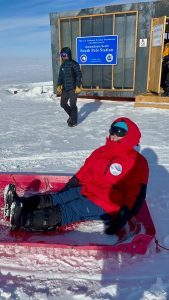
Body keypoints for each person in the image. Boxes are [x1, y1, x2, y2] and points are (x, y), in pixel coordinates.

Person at [4, 117, 149, 235]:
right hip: (87, 189)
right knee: (58, 197)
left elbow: (136, 194)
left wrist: (124, 215)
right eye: (113, 129)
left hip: (105, 202)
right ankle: (19, 203)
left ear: (129, 136)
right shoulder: (102, 151)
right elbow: (86, 169)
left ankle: (21, 220)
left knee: (68, 210)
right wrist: (74, 182)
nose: (114, 134)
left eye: (120, 131)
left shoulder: (137, 162)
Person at [57, 47, 82, 127]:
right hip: (65, 89)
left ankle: (74, 121)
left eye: (64, 55)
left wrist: (78, 86)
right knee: (63, 103)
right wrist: (59, 85)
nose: (63, 56)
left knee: (72, 104)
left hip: (73, 88)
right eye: (62, 55)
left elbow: (78, 75)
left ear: (68, 55)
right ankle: (72, 116)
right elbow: (60, 76)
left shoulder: (74, 64)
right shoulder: (63, 65)